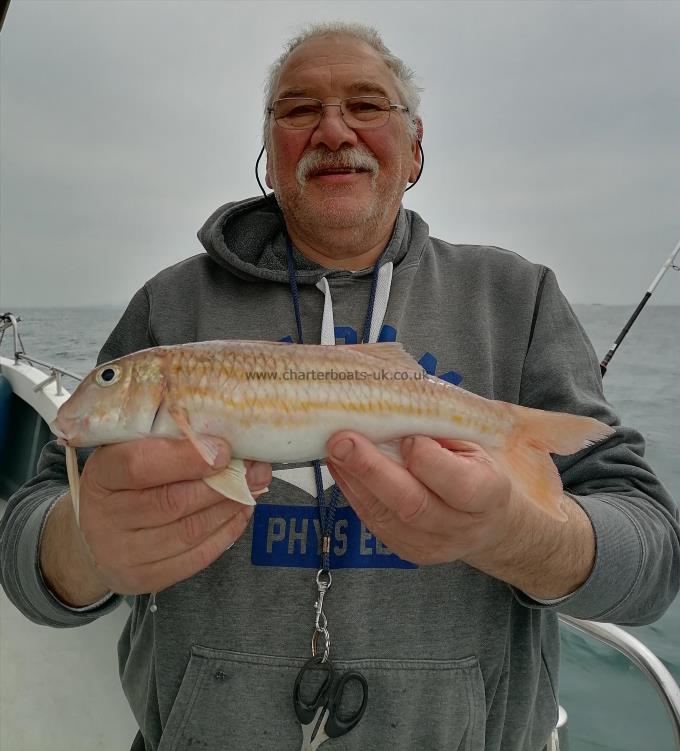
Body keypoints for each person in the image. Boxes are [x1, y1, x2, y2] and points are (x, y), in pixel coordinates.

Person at [1, 21, 678, 751]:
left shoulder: (518, 300)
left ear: (415, 148)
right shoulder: (167, 309)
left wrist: (517, 534)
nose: (332, 127)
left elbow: (654, 557)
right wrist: (81, 551)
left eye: (367, 104)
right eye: (298, 109)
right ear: (269, 149)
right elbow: (27, 539)